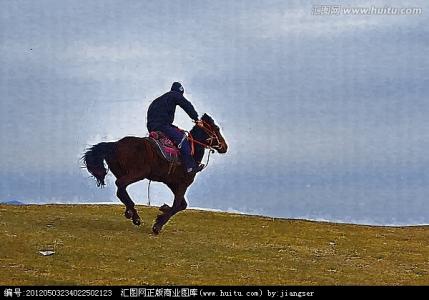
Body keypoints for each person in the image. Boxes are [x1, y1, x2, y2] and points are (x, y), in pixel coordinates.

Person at [147, 82, 204, 176]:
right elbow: (186, 105)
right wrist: (196, 119)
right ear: (180, 91)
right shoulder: (175, 95)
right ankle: (190, 166)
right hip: (163, 126)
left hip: (152, 127)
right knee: (182, 139)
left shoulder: (158, 100)